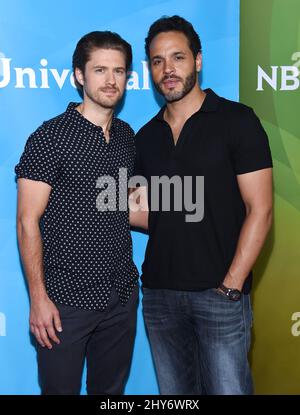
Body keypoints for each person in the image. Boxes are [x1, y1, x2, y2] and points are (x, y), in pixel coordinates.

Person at [132, 15, 273, 395]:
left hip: (220, 294)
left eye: (177, 57)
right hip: (160, 295)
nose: (168, 69)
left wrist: (231, 285)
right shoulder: (146, 137)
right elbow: (149, 212)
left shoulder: (237, 121)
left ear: (198, 60)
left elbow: (261, 209)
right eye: (158, 61)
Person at [15, 31, 139, 395]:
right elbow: (27, 221)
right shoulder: (50, 137)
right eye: (100, 70)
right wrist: (39, 299)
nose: (111, 80)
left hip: (120, 297)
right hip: (64, 303)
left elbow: (120, 207)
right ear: (79, 76)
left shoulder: (126, 137)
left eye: (119, 71)